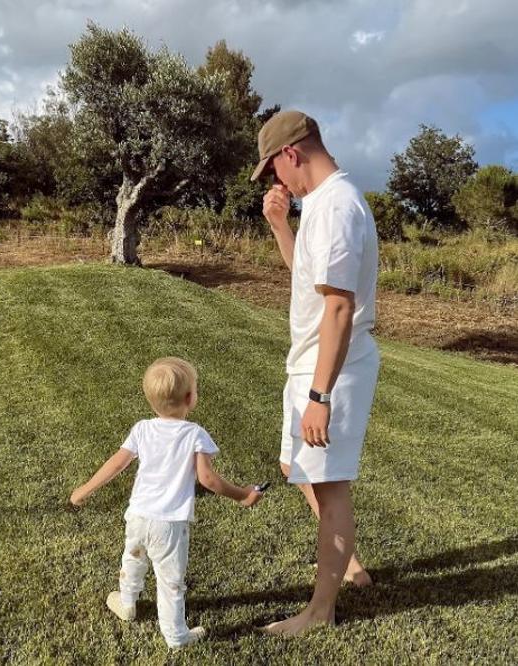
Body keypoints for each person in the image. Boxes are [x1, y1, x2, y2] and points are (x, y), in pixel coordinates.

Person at [250, 110, 380, 635]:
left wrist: (320, 395)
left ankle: (319, 611)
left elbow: (340, 309)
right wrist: (281, 226)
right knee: (292, 467)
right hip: (308, 361)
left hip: (332, 369)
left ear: (292, 153)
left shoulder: (337, 208)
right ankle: (346, 563)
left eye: (275, 170)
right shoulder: (319, 208)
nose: (279, 183)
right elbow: (310, 280)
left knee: (329, 488)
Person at [67, 357, 264, 648]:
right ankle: (176, 636)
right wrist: (244, 495)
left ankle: (127, 602)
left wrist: (84, 490)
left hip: (137, 516)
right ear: (190, 398)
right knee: (171, 581)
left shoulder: (142, 429)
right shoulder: (195, 434)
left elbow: (117, 464)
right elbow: (207, 479)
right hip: (169, 525)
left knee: (133, 559)